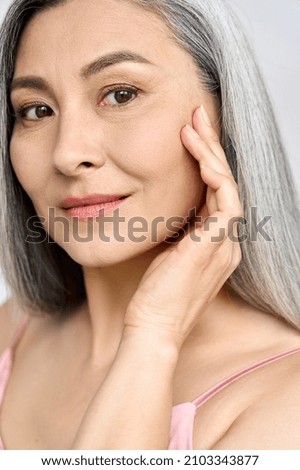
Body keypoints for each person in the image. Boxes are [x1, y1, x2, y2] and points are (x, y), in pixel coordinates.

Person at [0, 0, 299, 450]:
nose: (67, 153)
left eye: (120, 94)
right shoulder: (10, 332)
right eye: (37, 110)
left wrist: (153, 334)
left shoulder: (286, 401)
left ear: (224, 112)